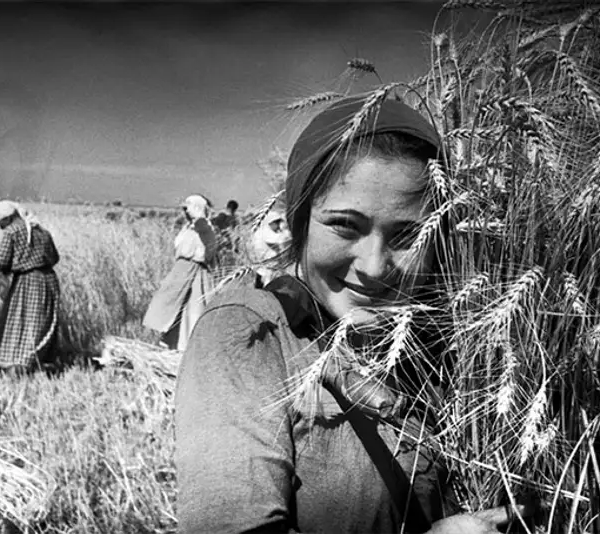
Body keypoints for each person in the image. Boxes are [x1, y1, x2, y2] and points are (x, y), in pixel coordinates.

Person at [175, 96, 532, 533]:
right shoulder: (249, 331)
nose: (375, 265)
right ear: (300, 219)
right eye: (345, 225)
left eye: (408, 235)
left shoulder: (453, 336)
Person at [0, 200, 61, 376]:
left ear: (9, 218)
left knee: (21, 321)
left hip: (28, 281)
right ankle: (40, 360)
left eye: (0, 223)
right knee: (42, 322)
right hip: (49, 281)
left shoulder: (12, 232)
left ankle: (17, 362)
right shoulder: (42, 231)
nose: (1, 228)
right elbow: (55, 258)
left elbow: (3, 263)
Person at [143, 194, 218, 350]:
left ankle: (190, 349)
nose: (185, 212)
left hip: (197, 274)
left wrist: (199, 219)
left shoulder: (205, 227)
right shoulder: (188, 228)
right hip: (181, 271)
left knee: (193, 309)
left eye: (187, 208)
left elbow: (208, 245)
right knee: (175, 309)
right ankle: (173, 345)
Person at [247, 208, 292, 286]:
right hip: (267, 272)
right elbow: (282, 240)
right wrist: (285, 230)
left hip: (264, 270)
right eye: (277, 223)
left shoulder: (260, 231)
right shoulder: (265, 232)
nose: (278, 225)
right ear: (271, 223)